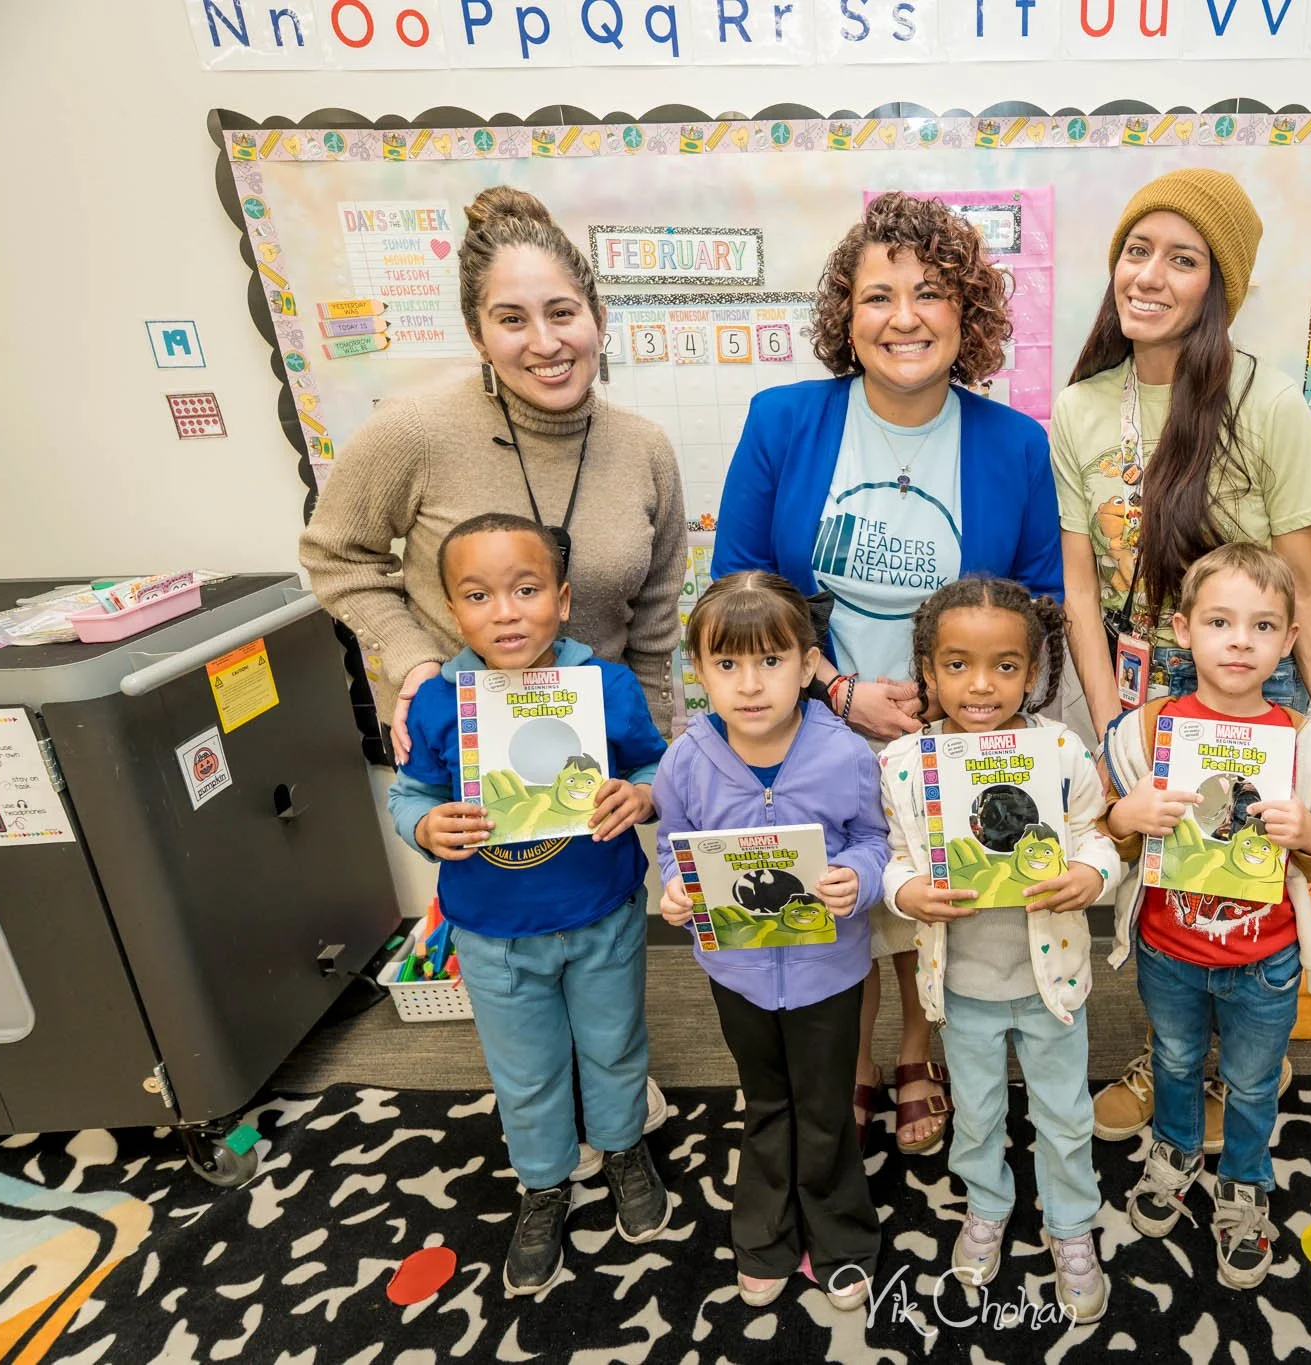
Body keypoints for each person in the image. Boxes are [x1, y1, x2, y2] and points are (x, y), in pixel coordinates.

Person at [300, 185, 683, 1140]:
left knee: (604, 974)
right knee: (516, 989)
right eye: (512, 320)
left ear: (597, 315)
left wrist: (660, 778)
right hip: (475, 754)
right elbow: (333, 554)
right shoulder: (413, 432)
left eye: (562, 313)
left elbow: (653, 630)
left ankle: (620, 1111)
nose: (544, 341)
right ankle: (546, 1146)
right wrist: (415, 660)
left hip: (590, 772)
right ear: (477, 331)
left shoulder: (643, 450)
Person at [714, 191, 1064, 1156]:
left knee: (922, 893)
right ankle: (855, 1055)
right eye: (877, 296)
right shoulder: (782, 419)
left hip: (952, 733)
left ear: (968, 315)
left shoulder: (1016, 444)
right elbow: (738, 587)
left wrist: (967, 708)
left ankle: (916, 1048)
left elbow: (1038, 601)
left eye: (929, 293)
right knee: (839, 892)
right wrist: (837, 690)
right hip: (810, 719)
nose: (903, 316)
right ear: (847, 317)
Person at [1050, 169, 1311, 1141]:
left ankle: (1242, 1072)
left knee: (1251, 884)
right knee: (1163, 893)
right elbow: (1079, 594)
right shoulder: (1078, 409)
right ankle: (1171, 1059)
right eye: (1136, 252)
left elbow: (1304, 589)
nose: (1149, 276)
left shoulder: (1265, 403)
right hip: (1141, 689)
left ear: (1213, 286)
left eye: (1181, 260)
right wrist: (1108, 726)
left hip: (1247, 682)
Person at [387, 514, 671, 1296]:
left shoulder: (604, 685)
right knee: (526, 1068)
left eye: (526, 589)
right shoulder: (439, 702)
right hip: (492, 932)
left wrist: (641, 794)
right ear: (451, 610)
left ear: (564, 596)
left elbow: (656, 763)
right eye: (478, 595)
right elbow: (409, 793)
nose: (505, 611)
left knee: (614, 1042)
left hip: (602, 910)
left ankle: (621, 1145)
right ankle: (544, 1180)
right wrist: (424, 823)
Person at [1099, 542, 1311, 1291]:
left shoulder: (1306, 744)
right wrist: (1126, 813)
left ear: (1289, 641)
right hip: (1168, 948)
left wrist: (1309, 834)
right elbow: (1100, 831)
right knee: (1173, 1058)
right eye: (1220, 621)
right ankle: (1174, 1149)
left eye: (1264, 625)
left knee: (1251, 1078)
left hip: (1264, 958)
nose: (1241, 640)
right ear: (1183, 629)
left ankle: (1244, 1183)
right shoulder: (1144, 731)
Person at [879, 577, 1119, 1322]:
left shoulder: (1059, 750)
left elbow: (1099, 838)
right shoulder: (903, 764)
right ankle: (987, 1203)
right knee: (978, 1113)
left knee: (1064, 1111)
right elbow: (895, 855)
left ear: (1034, 671)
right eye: (957, 665)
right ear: (927, 670)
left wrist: (1090, 875)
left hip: (1051, 983)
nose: (981, 684)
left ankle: (1071, 1221)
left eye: (1005, 666)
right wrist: (905, 893)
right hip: (961, 989)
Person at [652, 572, 888, 1311]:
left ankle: (842, 1233)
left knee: (823, 1104)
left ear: (807, 663)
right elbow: (670, 845)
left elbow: (875, 838)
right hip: (739, 975)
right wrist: (675, 891)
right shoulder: (685, 760)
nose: (750, 685)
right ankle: (764, 1231)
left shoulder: (844, 752)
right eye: (727, 665)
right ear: (700, 673)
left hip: (828, 973)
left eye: (771, 662)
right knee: (764, 1100)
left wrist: (858, 874)